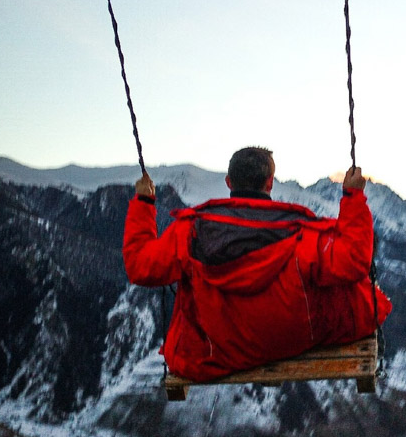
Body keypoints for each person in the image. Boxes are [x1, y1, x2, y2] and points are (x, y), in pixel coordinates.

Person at [122, 146, 391, 382]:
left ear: (229, 182)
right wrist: (353, 197)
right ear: (270, 182)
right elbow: (354, 261)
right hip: (295, 337)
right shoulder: (301, 234)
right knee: (356, 293)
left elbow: (140, 267)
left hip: (215, 349)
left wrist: (144, 202)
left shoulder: (189, 232)